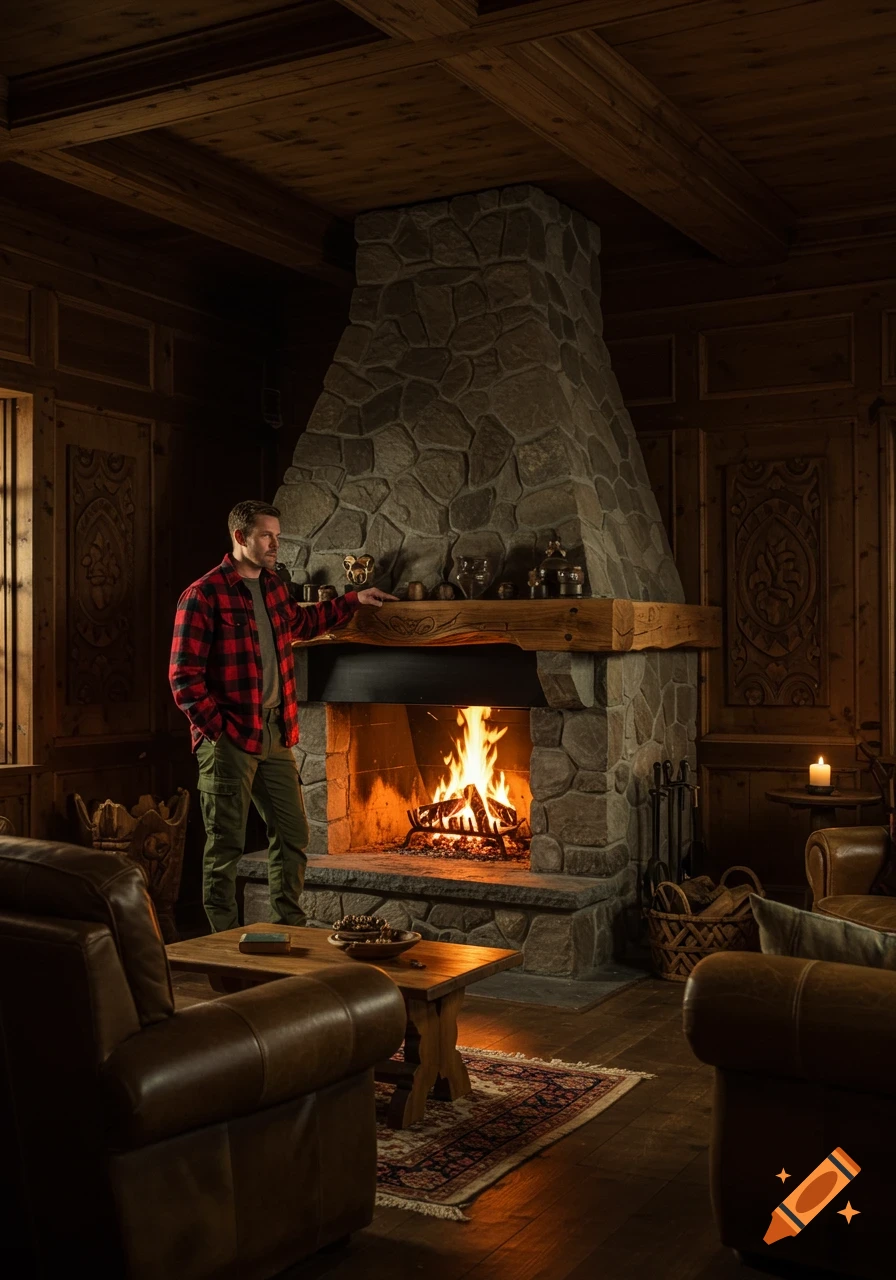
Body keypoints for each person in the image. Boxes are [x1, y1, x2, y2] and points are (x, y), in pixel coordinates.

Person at [169, 499, 396, 931]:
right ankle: (223, 947)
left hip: (275, 733)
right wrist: (219, 731)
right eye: (266, 536)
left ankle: (288, 929)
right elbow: (183, 678)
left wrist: (353, 600)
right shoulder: (203, 594)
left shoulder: (273, 586)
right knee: (225, 848)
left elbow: (302, 625)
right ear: (240, 537)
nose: (276, 544)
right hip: (230, 740)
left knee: (292, 836)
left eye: (277, 535)